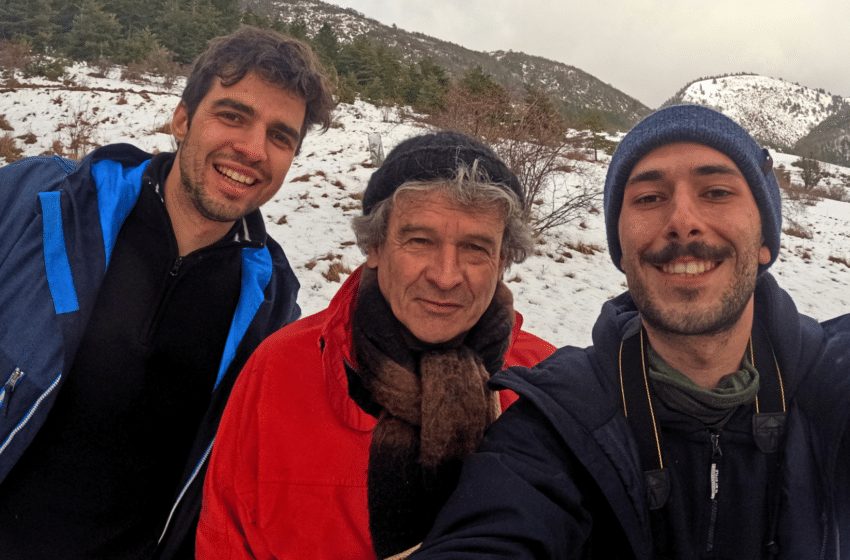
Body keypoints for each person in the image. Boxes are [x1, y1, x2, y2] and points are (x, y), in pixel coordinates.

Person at [410, 105, 850, 559]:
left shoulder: (834, 384)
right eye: (649, 198)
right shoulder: (559, 419)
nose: (682, 221)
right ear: (621, 249)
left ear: (765, 241)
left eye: (717, 192)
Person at [0, 26, 334, 560]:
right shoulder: (37, 204)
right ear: (182, 119)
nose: (253, 149)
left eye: (280, 136)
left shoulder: (271, 305)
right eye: (233, 115)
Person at [196, 131, 557, 560]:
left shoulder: (544, 387)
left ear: (501, 261)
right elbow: (225, 540)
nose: (445, 276)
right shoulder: (280, 370)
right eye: (420, 241)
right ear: (375, 246)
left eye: (475, 248)